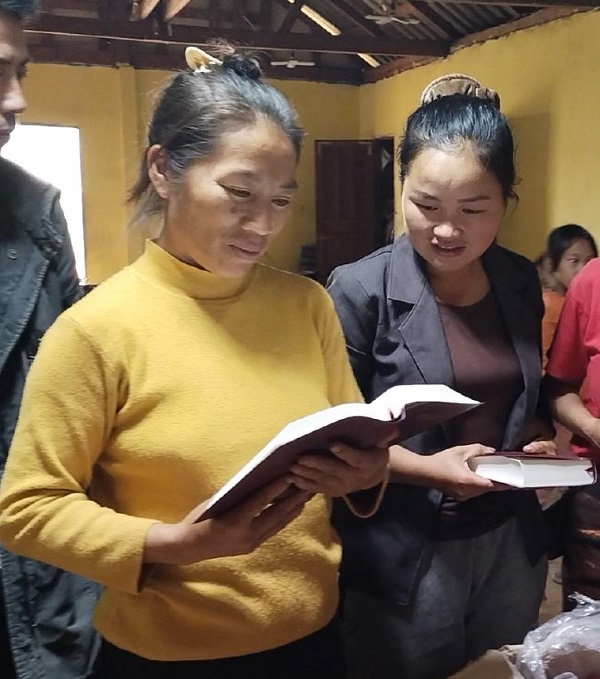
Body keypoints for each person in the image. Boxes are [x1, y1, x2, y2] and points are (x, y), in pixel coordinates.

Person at [0, 44, 391, 678]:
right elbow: (27, 509)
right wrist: (179, 546)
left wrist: (364, 471)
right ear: (163, 169)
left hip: (313, 639)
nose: (262, 225)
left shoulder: (306, 304)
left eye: (281, 200)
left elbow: (349, 438)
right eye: (239, 192)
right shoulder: (98, 330)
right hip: (167, 657)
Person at [327, 85, 554, 679]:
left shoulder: (516, 279)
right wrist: (435, 470)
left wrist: (535, 444)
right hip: (406, 546)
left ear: (506, 200)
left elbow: (520, 393)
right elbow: (332, 436)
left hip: (508, 539)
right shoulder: (358, 290)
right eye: (426, 205)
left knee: (504, 667)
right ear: (400, 189)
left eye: (473, 210)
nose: (447, 230)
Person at [0, 2, 99, 677]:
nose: (18, 99)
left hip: (37, 595)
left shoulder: (37, 214)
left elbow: (81, 411)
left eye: (21, 72)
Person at [545, 258, 600, 606]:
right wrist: (592, 428)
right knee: (587, 629)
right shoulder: (592, 280)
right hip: (597, 494)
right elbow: (558, 389)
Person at [540, 224, 597, 364]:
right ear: (552, 265)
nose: (583, 269)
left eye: (589, 261)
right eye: (574, 261)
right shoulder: (552, 306)